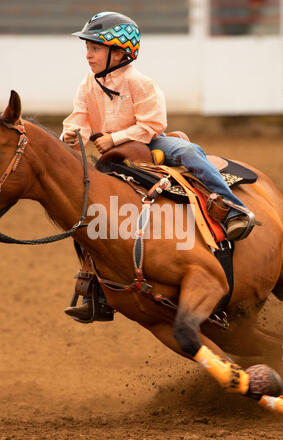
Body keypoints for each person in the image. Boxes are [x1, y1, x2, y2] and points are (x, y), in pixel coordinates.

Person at [62, 11, 256, 321]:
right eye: (87, 48)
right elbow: (79, 118)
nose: (88, 55)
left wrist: (115, 138)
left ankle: (234, 209)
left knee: (190, 153)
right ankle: (95, 289)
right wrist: (72, 135)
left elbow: (153, 123)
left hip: (149, 143)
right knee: (86, 210)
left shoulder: (140, 83)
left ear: (119, 51)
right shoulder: (88, 84)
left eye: (94, 48)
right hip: (112, 154)